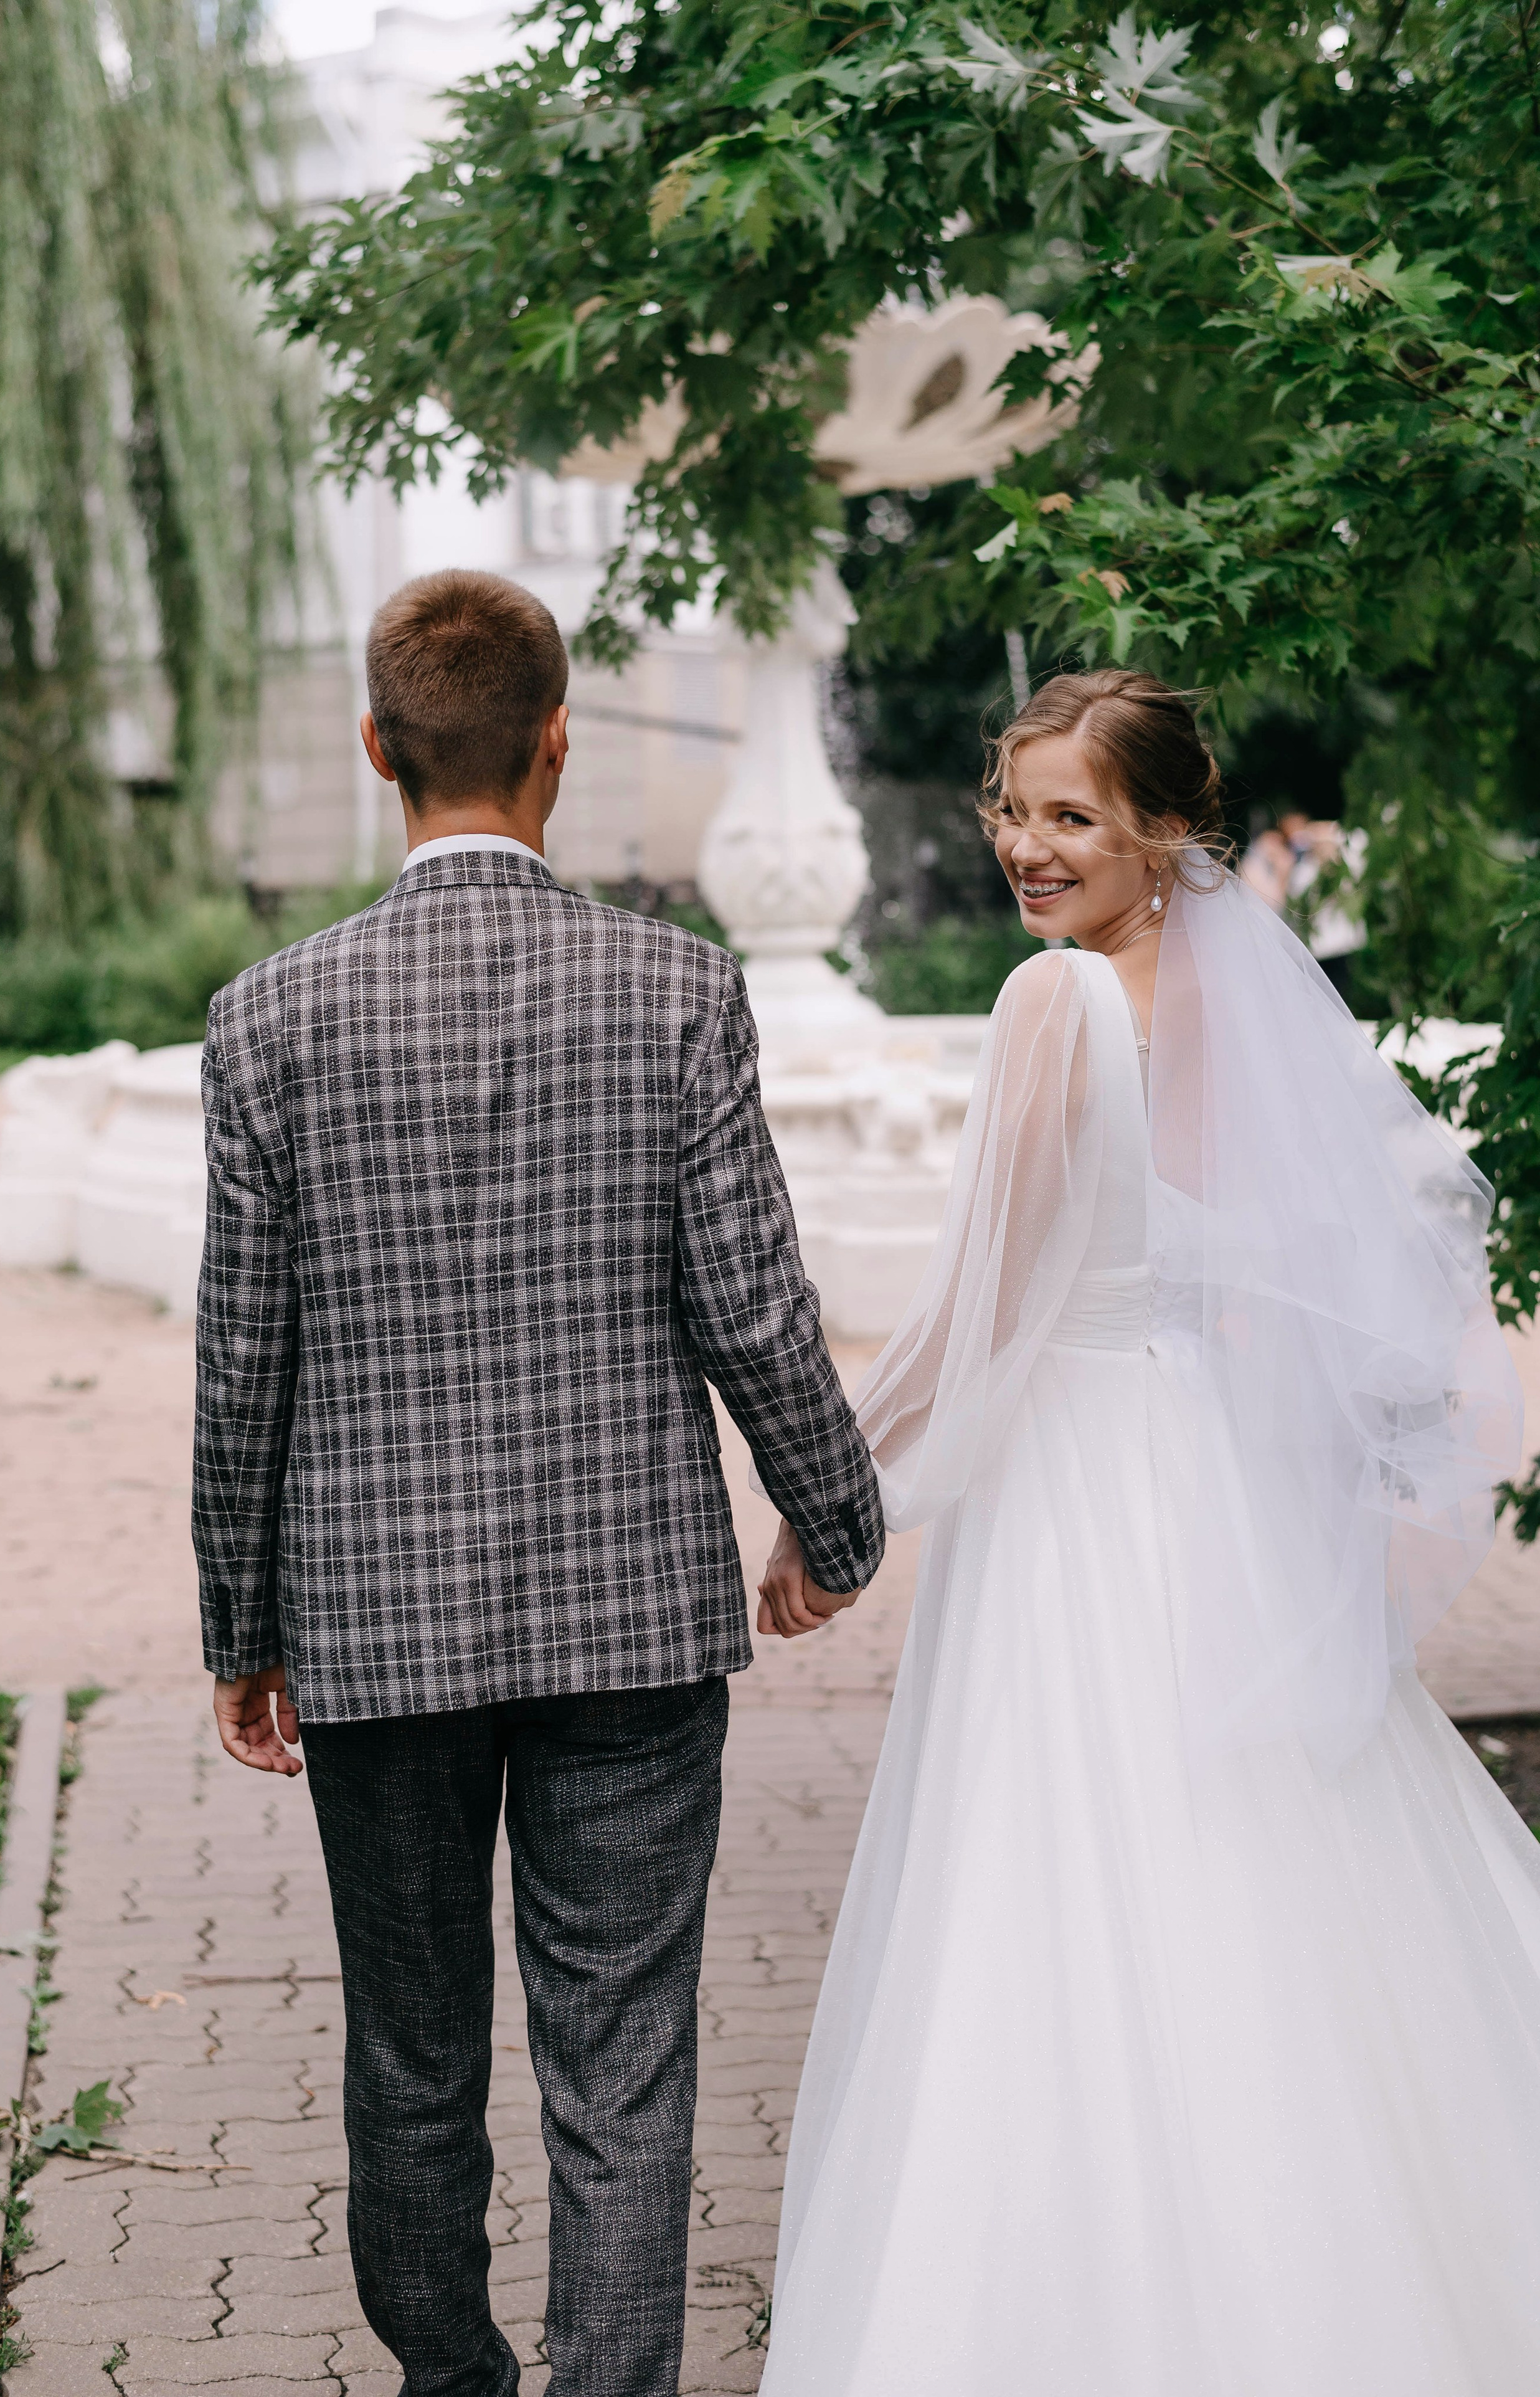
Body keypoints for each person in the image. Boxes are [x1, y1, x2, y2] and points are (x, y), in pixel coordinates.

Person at [760, 670, 1539, 2395]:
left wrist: (840, 1491)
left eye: (1071, 818)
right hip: (1195, 1466)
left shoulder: (1054, 1003)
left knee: (1051, 1852)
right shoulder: (1220, 988)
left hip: (1080, 1483)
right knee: (1257, 1840)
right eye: (1015, 809)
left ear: (1159, 830)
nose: (1028, 848)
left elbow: (987, 1299)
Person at [189, 568, 884, 2397]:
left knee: (409, 2058)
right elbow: (752, 1303)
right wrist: (838, 1519)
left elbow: (240, 1356)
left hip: (377, 1628)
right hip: (631, 1625)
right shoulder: (676, 988)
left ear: (376, 750)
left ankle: (454, 2382)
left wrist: (239, 1623)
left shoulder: (268, 1018)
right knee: (624, 2067)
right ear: (558, 745)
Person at [1244, 807, 1368, 1002]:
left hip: (1338, 947)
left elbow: (1359, 841)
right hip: (1315, 950)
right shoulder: (1304, 871)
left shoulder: (1344, 866)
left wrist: (1327, 834)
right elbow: (1286, 900)